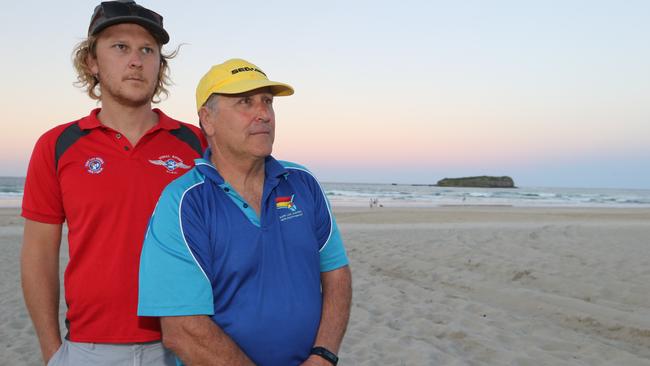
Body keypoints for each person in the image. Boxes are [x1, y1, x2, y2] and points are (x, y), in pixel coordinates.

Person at [20, 1, 206, 365]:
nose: (135, 60)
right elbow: (38, 255)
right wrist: (51, 350)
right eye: (120, 47)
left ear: (159, 65)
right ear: (91, 61)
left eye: (147, 50)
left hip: (186, 343)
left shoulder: (198, 144)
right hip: (89, 348)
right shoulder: (57, 146)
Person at [138, 58, 353, 366]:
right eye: (245, 102)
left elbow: (336, 273)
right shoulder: (184, 202)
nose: (263, 114)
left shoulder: (302, 182)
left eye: (267, 101)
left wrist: (324, 354)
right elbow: (182, 330)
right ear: (207, 120)